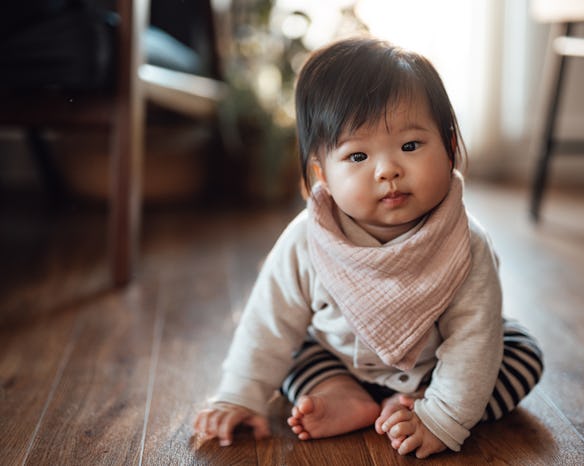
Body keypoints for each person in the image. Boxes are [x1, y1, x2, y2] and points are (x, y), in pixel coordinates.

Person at [194, 36, 543, 459]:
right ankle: (343, 395)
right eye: (358, 156)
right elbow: (267, 323)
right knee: (290, 351)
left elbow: (472, 340)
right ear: (322, 174)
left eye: (410, 146)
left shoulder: (464, 242)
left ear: (450, 148)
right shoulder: (308, 240)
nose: (388, 170)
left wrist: (443, 417)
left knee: (518, 352)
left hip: (437, 370)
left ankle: (421, 407)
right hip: (341, 360)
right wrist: (239, 395)